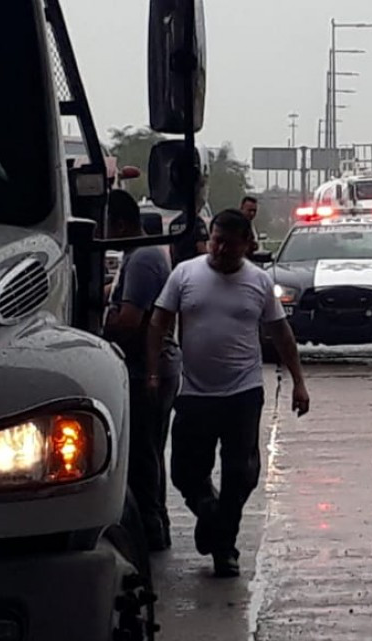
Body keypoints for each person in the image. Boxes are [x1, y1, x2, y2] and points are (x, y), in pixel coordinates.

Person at [147, 209, 310, 578]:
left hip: (243, 392)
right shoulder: (185, 273)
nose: (219, 249)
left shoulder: (258, 282)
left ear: (247, 245)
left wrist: (299, 382)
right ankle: (212, 517)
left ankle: (225, 548)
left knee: (242, 474)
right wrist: (154, 369)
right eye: (216, 240)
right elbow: (160, 320)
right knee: (185, 474)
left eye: (229, 244)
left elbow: (280, 334)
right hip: (195, 393)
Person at [103, 189, 181, 552]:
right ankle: (154, 525)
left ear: (118, 224)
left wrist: (103, 320)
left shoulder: (142, 259)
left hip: (148, 368)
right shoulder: (143, 255)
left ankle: (151, 530)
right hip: (155, 366)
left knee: (142, 456)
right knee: (148, 451)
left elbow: (130, 320)